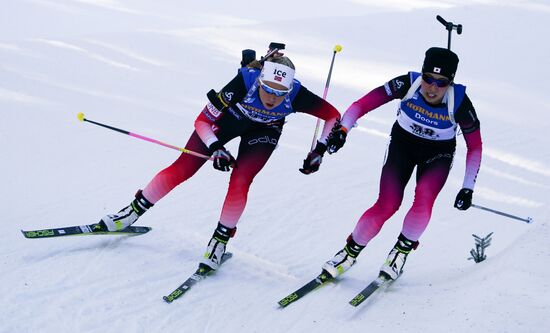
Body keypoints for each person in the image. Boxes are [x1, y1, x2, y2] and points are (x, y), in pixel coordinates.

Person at [98, 47, 340, 271]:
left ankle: (219, 242)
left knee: (241, 180)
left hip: (264, 131)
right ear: (259, 80)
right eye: (267, 88)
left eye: (280, 93)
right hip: (227, 122)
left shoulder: (298, 94)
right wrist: (216, 148)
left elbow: (332, 116)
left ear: (289, 89)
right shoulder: (244, 81)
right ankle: (130, 213)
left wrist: (319, 150)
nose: (272, 98)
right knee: (183, 168)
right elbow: (202, 121)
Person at [321, 47, 482, 281]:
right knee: (387, 203)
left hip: (438, 154)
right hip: (403, 145)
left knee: (424, 196)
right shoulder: (406, 84)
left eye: (441, 82)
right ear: (422, 74)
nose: (432, 88)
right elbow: (362, 104)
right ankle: (349, 253)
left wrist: (468, 187)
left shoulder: (460, 103)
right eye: (428, 79)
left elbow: (475, 146)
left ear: (451, 82)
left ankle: (400, 252)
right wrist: (343, 129)